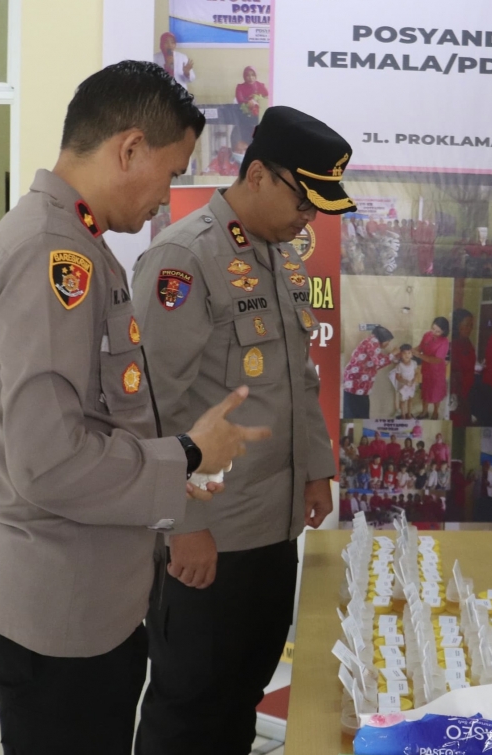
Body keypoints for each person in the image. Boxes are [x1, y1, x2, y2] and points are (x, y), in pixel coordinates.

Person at [0, 62, 265, 754]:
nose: (166, 198)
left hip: (84, 600)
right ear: (129, 148)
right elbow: (49, 461)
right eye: (170, 171)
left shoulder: (76, 242)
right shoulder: (52, 253)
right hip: (59, 613)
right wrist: (187, 454)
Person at [130, 105, 354, 753]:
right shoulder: (184, 256)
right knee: (189, 699)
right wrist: (184, 523)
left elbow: (299, 382)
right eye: (303, 200)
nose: (310, 217)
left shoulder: (282, 258)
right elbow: (153, 406)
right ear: (258, 173)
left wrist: (316, 468)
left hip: (270, 522)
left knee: (243, 688)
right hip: (210, 534)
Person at [342, 326, 396, 419]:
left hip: (358, 385)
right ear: (383, 338)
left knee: (357, 412)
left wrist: (391, 358)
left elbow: (375, 364)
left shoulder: (371, 342)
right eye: (388, 341)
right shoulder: (372, 343)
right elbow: (378, 362)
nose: (388, 344)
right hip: (356, 384)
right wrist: (393, 354)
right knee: (356, 414)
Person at [416, 316, 450, 418]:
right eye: (433, 329)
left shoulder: (444, 342)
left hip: (437, 372)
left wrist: (419, 355)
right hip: (426, 370)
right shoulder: (427, 335)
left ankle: (435, 412)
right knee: (425, 391)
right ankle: (424, 411)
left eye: (438, 331)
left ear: (444, 331)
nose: (434, 332)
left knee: (436, 393)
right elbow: (420, 347)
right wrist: (411, 350)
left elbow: (437, 360)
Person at [450, 309, 477, 426]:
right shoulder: (453, 344)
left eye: (471, 325)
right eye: (466, 325)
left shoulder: (467, 342)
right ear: (457, 325)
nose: (470, 328)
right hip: (457, 393)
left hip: (467, 391)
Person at [233, 66, 270, 152]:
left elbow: (267, 97)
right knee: (247, 141)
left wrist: (257, 101)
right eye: (248, 75)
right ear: (244, 76)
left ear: (256, 76)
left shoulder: (260, 85)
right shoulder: (240, 87)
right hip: (245, 119)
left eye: (253, 75)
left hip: (259, 119)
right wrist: (250, 102)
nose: (250, 78)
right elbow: (240, 100)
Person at [389, 343, 420, 418]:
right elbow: (397, 377)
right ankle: (403, 415)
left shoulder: (414, 363)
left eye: (409, 353)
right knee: (403, 401)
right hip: (403, 386)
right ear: (400, 354)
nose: (407, 355)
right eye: (404, 353)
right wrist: (404, 381)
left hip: (411, 385)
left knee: (410, 400)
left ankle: (409, 414)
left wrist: (413, 380)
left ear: (412, 354)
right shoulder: (400, 365)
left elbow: (416, 373)